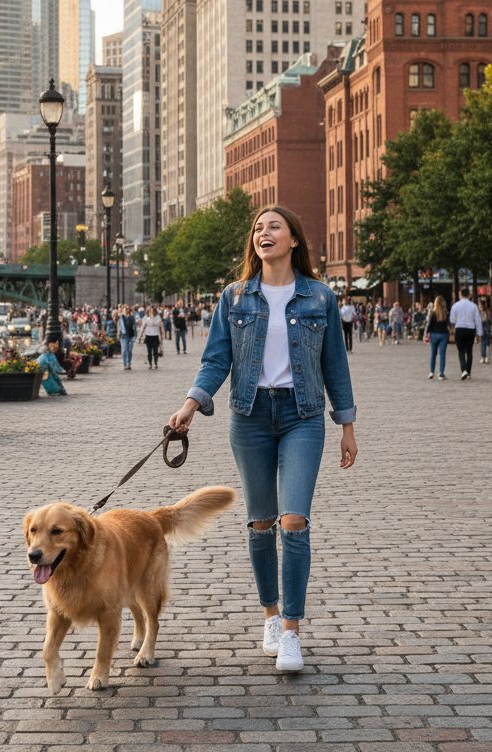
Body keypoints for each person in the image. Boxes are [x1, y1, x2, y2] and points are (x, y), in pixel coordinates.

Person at [168, 205, 358, 675]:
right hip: (250, 416)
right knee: (260, 522)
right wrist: (191, 405)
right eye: (257, 227)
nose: (263, 232)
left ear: (294, 239)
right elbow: (216, 360)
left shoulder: (319, 297)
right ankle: (270, 616)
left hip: (304, 415)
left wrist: (347, 425)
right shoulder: (235, 298)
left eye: (274, 226)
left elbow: (335, 364)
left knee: (293, 519)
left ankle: (292, 630)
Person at [448, 287, 483, 380]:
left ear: (460, 294)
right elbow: (478, 320)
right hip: (470, 330)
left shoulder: (455, 305)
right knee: (469, 351)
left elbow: (452, 319)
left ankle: (463, 370)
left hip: (459, 329)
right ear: (469, 295)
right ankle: (468, 372)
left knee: (461, 351)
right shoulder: (474, 306)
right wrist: (479, 333)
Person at [423, 295, 450, 380]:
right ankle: (441, 374)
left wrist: (426, 333)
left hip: (434, 334)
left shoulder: (433, 313)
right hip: (444, 335)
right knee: (442, 355)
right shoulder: (446, 313)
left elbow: (429, 324)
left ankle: (431, 372)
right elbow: (448, 324)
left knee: (433, 354)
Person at [118, 305, 137, 370]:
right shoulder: (121, 317)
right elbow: (119, 326)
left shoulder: (132, 317)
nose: (127, 310)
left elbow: (135, 326)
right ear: (123, 310)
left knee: (129, 350)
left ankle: (129, 363)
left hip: (131, 336)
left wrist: (135, 335)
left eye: (128, 309)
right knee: (124, 351)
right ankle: (125, 364)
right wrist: (118, 334)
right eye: (126, 309)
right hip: (124, 336)